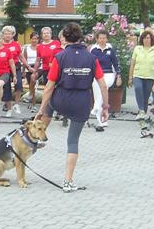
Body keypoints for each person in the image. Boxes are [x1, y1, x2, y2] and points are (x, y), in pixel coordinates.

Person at [36, 22, 108, 193]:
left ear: (65, 38)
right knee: (73, 142)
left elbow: (49, 87)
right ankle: (68, 181)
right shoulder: (92, 58)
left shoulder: (60, 57)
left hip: (60, 99)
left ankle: (39, 136)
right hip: (81, 102)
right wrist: (105, 107)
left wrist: (41, 109)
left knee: (49, 105)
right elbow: (103, 85)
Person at [89, 30, 121, 130]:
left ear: (107, 39)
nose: (102, 40)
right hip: (97, 75)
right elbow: (90, 63)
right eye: (100, 38)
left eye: (104, 38)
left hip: (109, 74)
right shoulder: (93, 50)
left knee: (104, 86)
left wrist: (119, 75)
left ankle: (95, 107)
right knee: (98, 93)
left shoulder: (111, 50)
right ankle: (101, 121)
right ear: (97, 39)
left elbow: (116, 63)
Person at [129, 30, 154, 119]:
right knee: (138, 88)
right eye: (145, 38)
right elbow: (132, 63)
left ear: (152, 39)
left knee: (146, 95)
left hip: (151, 75)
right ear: (142, 39)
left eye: (148, 38)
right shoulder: (137, 49)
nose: (147, 40)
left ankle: (143, 113)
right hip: (138, 74)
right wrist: (130, 77)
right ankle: (141, 110)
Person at [0, 25, 23, 116]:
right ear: (3, 35)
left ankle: (16, 104)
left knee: (19, 84)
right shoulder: (1, 44)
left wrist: (28, 66)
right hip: (5, 67)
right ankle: (9, 109)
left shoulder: (16, 44)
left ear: (12, 35)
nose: (7, 35)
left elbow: (21, 56)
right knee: (6, 88)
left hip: (16, 66)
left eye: (9, 34)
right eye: (6, 34)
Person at [23, 31, 40, 110]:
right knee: (32, 86)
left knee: (33, 80)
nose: (34, 40)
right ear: (30, 39)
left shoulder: (40, 47)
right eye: (33, 39)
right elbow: (24, 60)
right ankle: (33, 104)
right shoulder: (27, 48)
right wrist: (23, 70)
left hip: (38, 67)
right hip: (28, 67)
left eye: (36, 39)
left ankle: (30, 97)